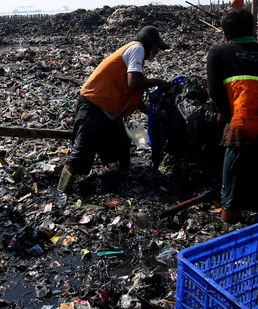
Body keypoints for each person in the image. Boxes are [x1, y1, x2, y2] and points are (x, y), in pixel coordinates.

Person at [58, 26, 172, 193]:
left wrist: (152, 114)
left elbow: (132, 92)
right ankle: (61, 191)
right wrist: (159, 82)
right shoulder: (137, 48)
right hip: (94, 104)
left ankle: (123, 179)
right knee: (81, 151)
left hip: (108, 110)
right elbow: (134, 82)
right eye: (157, 46)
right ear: (149, 43)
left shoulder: (136, 54)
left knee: (122, 145)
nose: (157, 51)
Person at [207, 8, 258, 223]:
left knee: (232, 176)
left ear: (225, 34)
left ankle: (229, 218)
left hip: (243, 125)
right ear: (253, 30)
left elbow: (215, 91)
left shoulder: (218, 52)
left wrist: (226, 114)